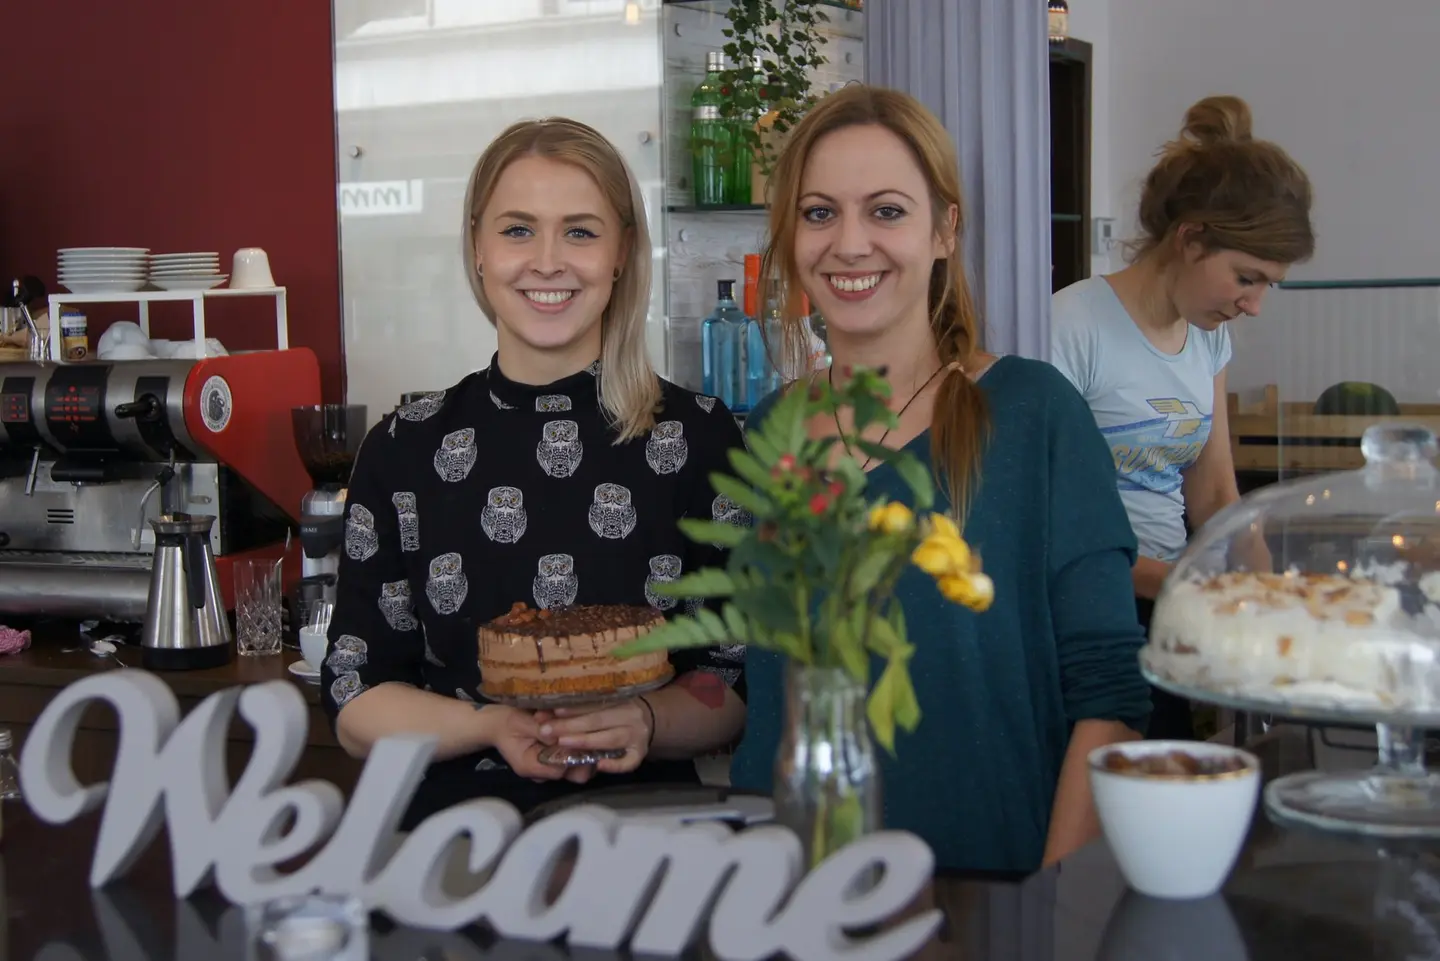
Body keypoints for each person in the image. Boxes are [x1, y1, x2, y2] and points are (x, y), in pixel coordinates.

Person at [728, 84, 1151, 873]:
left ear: (945, 230)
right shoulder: (769, 429)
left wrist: (1044, 916)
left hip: (982, 897)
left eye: (886, 210)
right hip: (784, 894)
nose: (849, 243)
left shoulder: (1033, 413)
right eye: (820, 213)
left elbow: (1109, 699)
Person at [320, 117, 748, 829]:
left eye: (580, 231)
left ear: (621, 256)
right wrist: (490, 728)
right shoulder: (404, 447)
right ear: (479, 250)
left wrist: (645, 720)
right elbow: (355, 693)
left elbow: (732, 681)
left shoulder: (702, 438)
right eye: (518, 230)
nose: (547, 261)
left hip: (653, 846)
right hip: (447, 848)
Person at [1050, 95, 1314, 740]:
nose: (1253, 306)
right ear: (1191, 238)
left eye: (1267, 286)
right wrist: (1192, 590)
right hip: (1092, 613)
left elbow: (1216, 491)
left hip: (1169, 600)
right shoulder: (1071, 326)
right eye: (1246, 278)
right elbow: (1046, 523)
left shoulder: (1207, 338)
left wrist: (1267, 597)